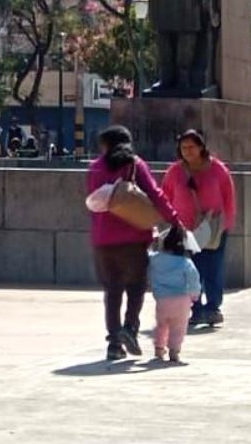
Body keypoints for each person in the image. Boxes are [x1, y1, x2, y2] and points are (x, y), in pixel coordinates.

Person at [86, 124, 179, 361]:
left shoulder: (95, 168)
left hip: (103, 239)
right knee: (136, 287)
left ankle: (114, 343)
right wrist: (173, 219)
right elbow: (156, 194)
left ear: (106, 145)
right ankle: (130, 328)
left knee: (112, 291)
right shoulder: (135, 165)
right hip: (134, 238)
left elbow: (93, 202)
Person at [163, 129, 236, 328]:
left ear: (201, 147)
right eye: (183, 147)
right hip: (184, 229)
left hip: (213, 228)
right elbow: (165, 196)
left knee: (213, 268)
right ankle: (195, 309)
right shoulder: (175, 171)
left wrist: (227, 224)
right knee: (190, 271)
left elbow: (229, 197)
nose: (187, 151)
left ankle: (213, 307)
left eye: (191, 147)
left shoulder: (218, 170)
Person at [148, 223, 202, 364]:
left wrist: (153, 240)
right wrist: (195, 294)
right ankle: (174, 350)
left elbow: (146, 255)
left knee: (161, 325)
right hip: (182, 299)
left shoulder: (155, 259)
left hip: (162, 300)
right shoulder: (185, 262)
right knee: (178, 327)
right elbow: (194, 278)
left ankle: (159, 348)